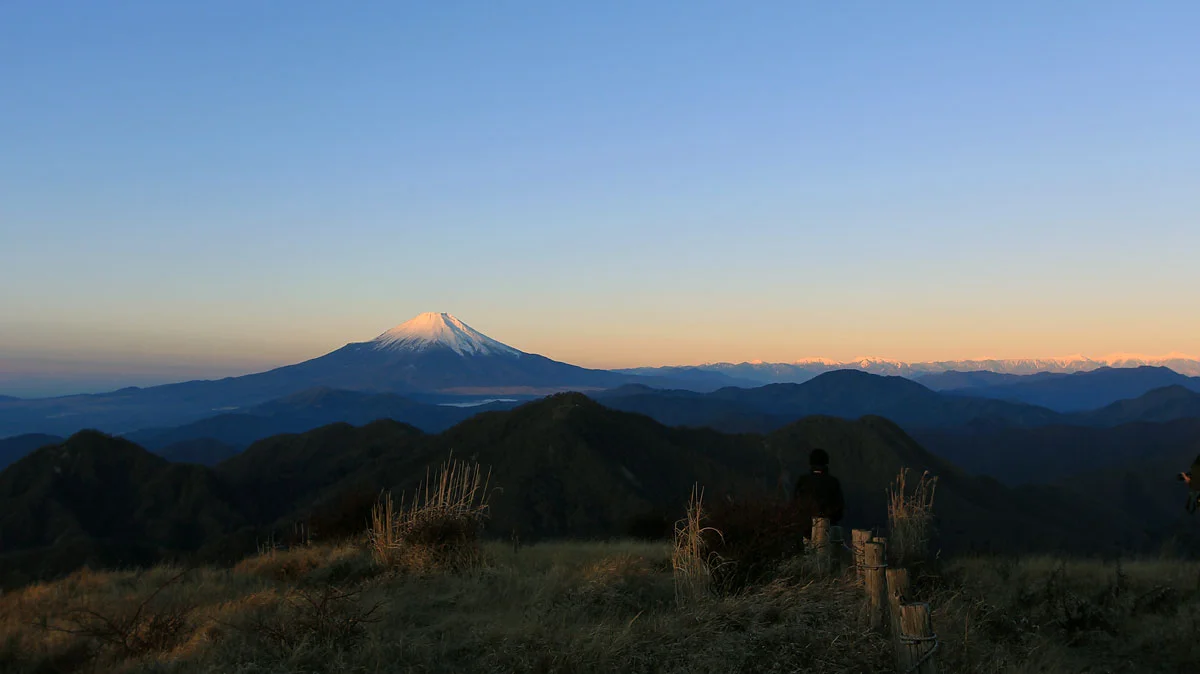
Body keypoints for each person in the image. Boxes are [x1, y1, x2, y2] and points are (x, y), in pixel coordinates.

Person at [793, 448, 845, 524]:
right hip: (828, 526)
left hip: (804, 525)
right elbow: (839, 508)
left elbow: (795, 504)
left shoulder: (803, 481)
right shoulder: (833, 482)